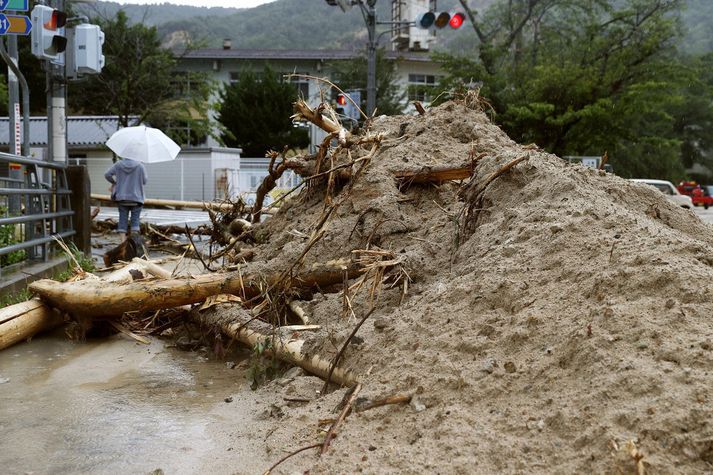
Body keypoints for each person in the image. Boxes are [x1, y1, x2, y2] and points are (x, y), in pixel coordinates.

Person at [104, 157, 147, 241]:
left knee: (122, 220)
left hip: (122, 198)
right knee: (135, 221)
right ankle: (133, 243)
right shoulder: (140, 166)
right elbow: (145, 181)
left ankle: (123, 243)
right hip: (136, 198)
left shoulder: (118, 164)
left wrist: (114, 182)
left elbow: (107, 174)